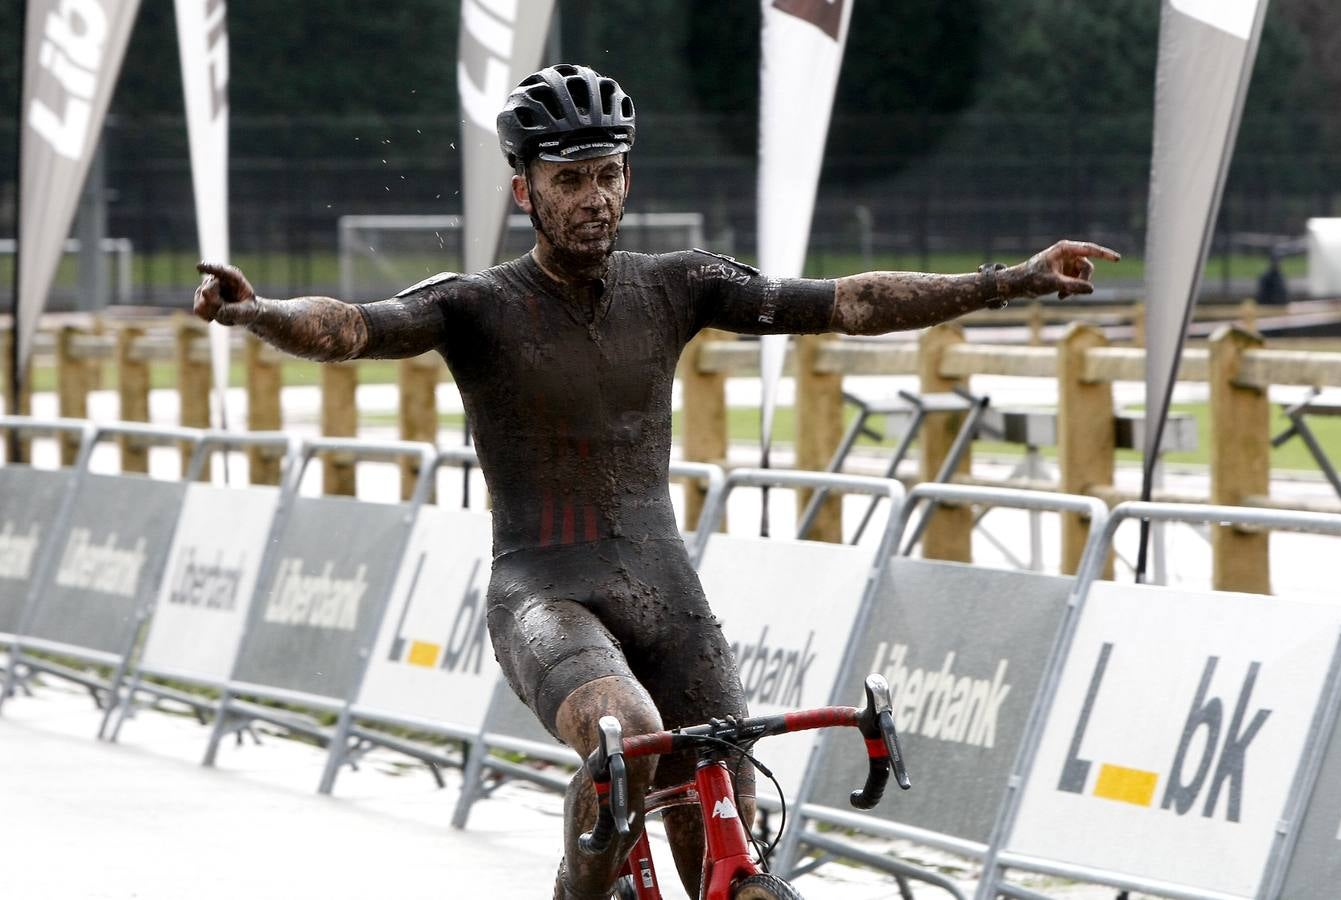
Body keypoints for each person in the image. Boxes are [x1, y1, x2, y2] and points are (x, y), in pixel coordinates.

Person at [194, 64, 1118, 899]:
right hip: (543, 595)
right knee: (625, 740)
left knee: (727, 827)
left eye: (610, 174)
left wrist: (1011, 281)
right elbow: (353, 327)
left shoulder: (676, 283)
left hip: (665, 593)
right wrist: (257, 312)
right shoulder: (476, 306)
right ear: (525, 191)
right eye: (569, 180)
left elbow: (848, 302)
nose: (595, 199)